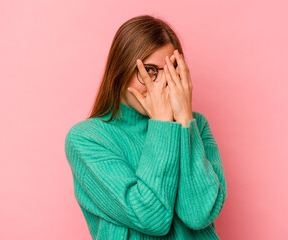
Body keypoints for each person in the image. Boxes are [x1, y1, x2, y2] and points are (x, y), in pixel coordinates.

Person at [64, 14, 227, 240]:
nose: (160, 84)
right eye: (149, 71)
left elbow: (199, 214)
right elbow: (151, 217)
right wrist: (161, 124)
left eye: (171, 70)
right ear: (120, 71)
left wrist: (184, 121)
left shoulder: (195, 125)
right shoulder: (87, 138)